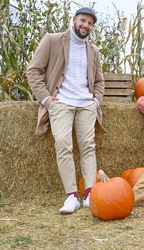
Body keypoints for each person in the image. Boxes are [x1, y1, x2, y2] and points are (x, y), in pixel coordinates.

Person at [26, 7, 105, 214]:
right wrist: (45, 98)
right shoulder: (53, 40)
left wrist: (96, 100)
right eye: (83, 21)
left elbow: (99, 80)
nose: (86, 25)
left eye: (90, 23)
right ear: (74, 20)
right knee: (63, 143)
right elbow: (33, 70)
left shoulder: (93, 50)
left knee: (88, 145)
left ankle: (90, 193)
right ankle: (72, 196)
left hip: (86, 105)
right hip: (60, 102)